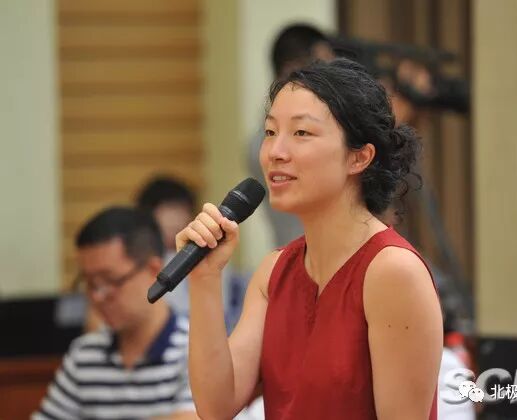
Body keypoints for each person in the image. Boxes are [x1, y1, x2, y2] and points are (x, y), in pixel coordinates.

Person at [181, 59, 443, 419]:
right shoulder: (274, 271)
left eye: (301, 133)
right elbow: (216, 405)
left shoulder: (393, 271)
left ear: (359, 157)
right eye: (270, 132)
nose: (275, 152)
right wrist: (205, 278)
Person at [32, 207, 196, 420]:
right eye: (90, 284)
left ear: (154, 270)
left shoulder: (194, 347)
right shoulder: (84, 354)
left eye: (109, 281)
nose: (97, 296)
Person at [248, 23, 335, 248]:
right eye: (325, 68)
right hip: (303, 257)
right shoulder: (266, 147)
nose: (334, 81)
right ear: (293, 69)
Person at [136, 176, 197, 314]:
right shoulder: (136, 262)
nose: (176, 220)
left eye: (182, 210)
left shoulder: (206, 258)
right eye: (169, 209)